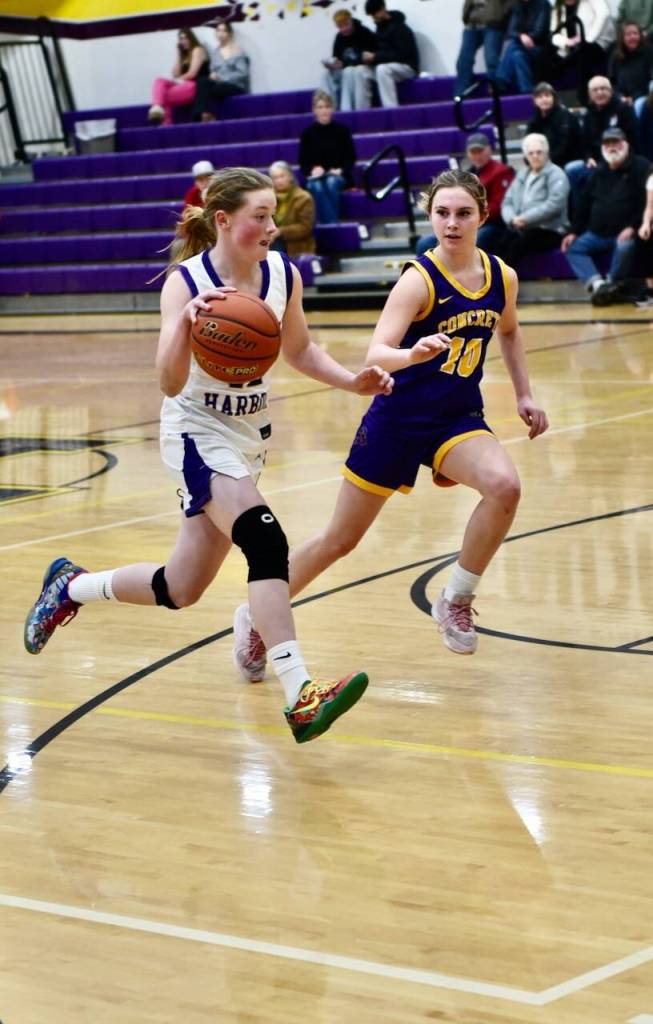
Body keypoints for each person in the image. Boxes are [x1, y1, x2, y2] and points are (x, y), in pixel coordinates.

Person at [23, 167, 394, 745]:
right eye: (261, 217)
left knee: (182, 586)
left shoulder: (281, 274)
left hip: (249, 435)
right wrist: (185, 328)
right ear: (223, 220)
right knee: (265, 538)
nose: (272, 227)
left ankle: (70, 587)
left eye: (274, 215)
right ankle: (301, 693)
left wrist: (353, 382)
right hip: (195, 431)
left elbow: (300, 349)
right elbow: (169, 384)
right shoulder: (185, 282)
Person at [232, 167, 549, 682]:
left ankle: (456, 597)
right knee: (340, 539)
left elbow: (509, 333)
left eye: (463, 213)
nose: (451, 223)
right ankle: (257, 617)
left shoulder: (501, 276)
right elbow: (376, 351)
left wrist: (525, 394)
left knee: (505, 485)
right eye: (442, 213)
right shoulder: (418, 280)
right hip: (398, 418)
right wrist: (411, 352)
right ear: (430, 215)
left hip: (456, 418)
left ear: (482, 216)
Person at [561, 127, 649, 303]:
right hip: (597, 233)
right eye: (607, 144)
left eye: (615, 143)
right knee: (573, 248)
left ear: (626, 144)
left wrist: (633, 227)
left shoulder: (642, 167)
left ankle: (613, 283)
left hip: (626, 232)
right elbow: (584, 205)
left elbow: (646, 204)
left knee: (625, 248)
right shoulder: (598, 172)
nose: (612, 147)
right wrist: (574, 231)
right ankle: (599, 285)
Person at [417, 132, 514, 255]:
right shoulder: (467, 174)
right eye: (473, 151)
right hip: (464, 220)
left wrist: (472, 214)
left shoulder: (501, 171)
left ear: (489, 150)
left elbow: (499, 206)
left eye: (480, 150)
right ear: (468, 153)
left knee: (477, 239)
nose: (477, 155)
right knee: (424, 244)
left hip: (493, 224)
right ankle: (431, 273)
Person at [496, 133, 569, 265]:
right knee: (498, 240)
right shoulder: (522, 174)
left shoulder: (556, 174)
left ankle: (501, 281)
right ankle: (489, 278)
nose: (535, 156)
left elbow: (554, 205)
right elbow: (507, 201)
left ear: (546, 153)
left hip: (550, 230)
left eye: (539, 152)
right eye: (531, 153)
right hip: (521, 226)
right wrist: (512, 219)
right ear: (526, 156)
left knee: (521, 242)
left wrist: (525, 218)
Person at [564, 75, 640, 196]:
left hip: (618, 160)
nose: (600, 92)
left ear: (610, 91)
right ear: (590, 95)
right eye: (595, 90)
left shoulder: (623, 109)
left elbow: (633, 139)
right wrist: (588, 158)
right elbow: (584, 143)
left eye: (603, 88)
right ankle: (579, 212)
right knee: (571, 169)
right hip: (595, 162)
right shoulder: (589, 114)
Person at [344, 0, 418, 110]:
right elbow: (381, 53)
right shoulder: (379, 29)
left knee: (382, 69)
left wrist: (376, 57)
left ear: (383, 9)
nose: (374, 18)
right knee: (360, 70)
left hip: (407, 67)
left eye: (374, 14)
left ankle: (391, 110)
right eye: (372, 15)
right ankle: (362, 112)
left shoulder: (401, 28)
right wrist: (369, 58)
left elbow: (402, 54)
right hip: (388, 67)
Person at [298, 91, 357, 224]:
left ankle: (328, 225)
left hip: (339, 175)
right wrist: (312, 170)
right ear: (314, 110)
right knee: (315, 186)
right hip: (317, 177)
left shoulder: (343, 131)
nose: (324, 110)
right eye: (320, 107)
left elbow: (351, 158)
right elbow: (303, 163)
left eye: (327, 107)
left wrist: (340, 170)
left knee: (331, 182)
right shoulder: (307, 134)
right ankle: (332, 224)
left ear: (332, 109)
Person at [546, 0, 615, 103]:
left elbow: (603, 15)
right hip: (570, 48)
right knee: (549, 59)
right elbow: (553, 34)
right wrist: (567, 42)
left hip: (598, 42)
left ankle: (585, 98)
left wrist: (586, 39)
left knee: (584, 55)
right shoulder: (558, 8)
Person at [148, 27, 209, 126]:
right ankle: (158, 108)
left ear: (191, 38)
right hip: (184, 85)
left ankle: (164, 121)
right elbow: (175, 74)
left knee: (162, 95)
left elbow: (192, 73)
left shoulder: (197, 49)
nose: (183, 41)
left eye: (186, 38)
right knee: (159, 81)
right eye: (181, 38)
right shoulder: (183, 55)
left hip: (195, 86)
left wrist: (178, 80)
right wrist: (179, 54)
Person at [321, 8, 378, 111]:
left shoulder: (364, 33)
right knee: (325, 75)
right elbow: (336, 57)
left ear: (351, 21)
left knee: (350, 71)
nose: (344, 29)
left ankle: (348, 109)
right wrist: (333, 65)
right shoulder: (339, 37)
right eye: (340, 27)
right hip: (346, 69)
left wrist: (344, 64)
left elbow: (370, 56)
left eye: (346, 25)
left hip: (362, 69)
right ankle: (329, 108)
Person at [192, 20, 249, 122]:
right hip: (218, 85)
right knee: (202, 81)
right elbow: (213, 70)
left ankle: (208, 115)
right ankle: (200, 114)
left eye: (224, 31)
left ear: (230, 33)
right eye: (218, 30)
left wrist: (222, 78)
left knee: (212, 89)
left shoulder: (238, 51)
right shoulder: (216, 52)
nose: (221, 34)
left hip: (235, 85)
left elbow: (243, 73)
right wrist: (213, 75)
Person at [454, 0, 514, 96]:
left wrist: (499, 14)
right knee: (463, 61)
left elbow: (511, 3)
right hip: (472, 24)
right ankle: (461, 96)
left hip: (492, 24)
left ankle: (496, 93)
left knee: (491, 60)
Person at [494, 0, 551, 95]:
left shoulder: (543, 4)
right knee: (517, 55)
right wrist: (521, 36)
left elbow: (539, 32)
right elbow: (510, 30)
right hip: (521, 47)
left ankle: (501, 80)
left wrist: (524, 37)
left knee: (513, 46)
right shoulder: (518, 5)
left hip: (538, 47)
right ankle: (527, 91)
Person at [525, 81, 581, 167]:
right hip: (542, 162)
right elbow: (528, 143)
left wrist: (544, 162)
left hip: (565, 161)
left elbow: (563, 148)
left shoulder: (565, 116)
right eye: (540, 97)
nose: (544, 99)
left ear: (554, 98)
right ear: (535, 101)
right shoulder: (534, 120)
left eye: (547, 95)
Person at [268, 161, 316, 256]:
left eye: (282, 176)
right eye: (275, 178)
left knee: (274, 251)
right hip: (272, 241)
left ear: (290, 177)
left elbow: (306, 228)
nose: (278, 181)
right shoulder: (268, 198)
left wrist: (280, 232)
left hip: (297, 245)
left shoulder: (304, 198)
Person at [608, 21, 653, 116]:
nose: (632, 37)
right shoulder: (616, 56)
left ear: (640, 35)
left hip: (644, 96)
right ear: (622, 38)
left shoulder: (649, 52)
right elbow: (612, 81)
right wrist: (621, 97)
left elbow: (650, 81)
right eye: (628, 34)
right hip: (621, 97)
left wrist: (633, 97)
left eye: (635, 33)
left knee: (638, 106)